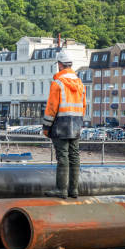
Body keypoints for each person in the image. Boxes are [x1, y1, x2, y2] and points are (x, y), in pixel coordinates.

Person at [42, 50, 86, 199]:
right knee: (75, 156)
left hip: (61, 123)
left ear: (60, 65)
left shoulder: (57, 83)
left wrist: (46, 127)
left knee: (63, 156)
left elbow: (52, 107)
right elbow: (84, 106)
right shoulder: (80, 83)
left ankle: (61, 189)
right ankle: (73, 190)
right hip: (76, 123)